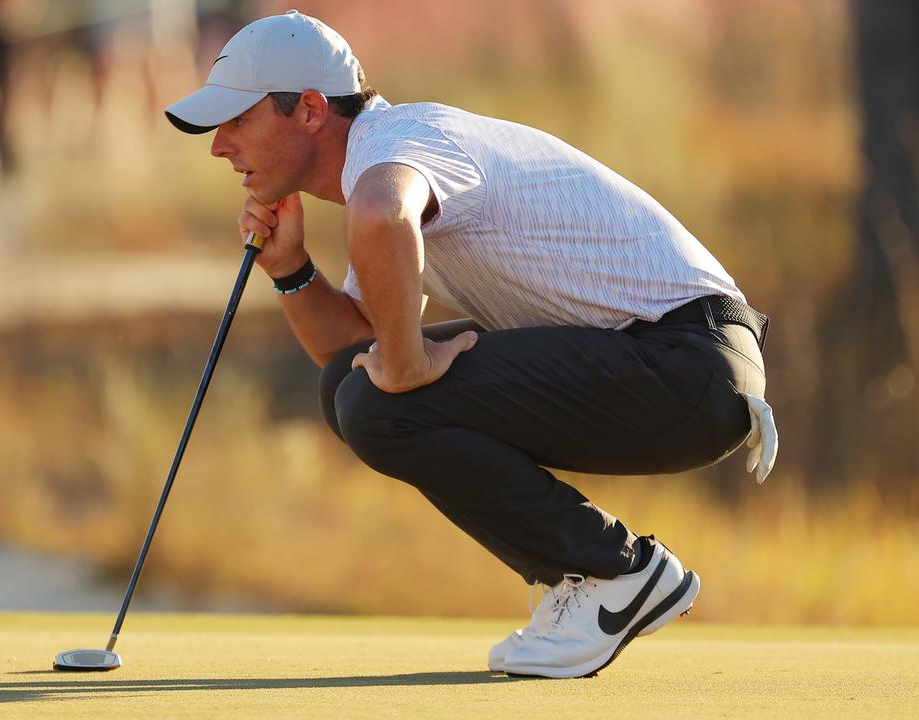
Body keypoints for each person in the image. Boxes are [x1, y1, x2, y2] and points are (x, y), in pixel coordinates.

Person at [164, 11, 778, 679]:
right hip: (672, 365)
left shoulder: (396, 147)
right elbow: (360, 350)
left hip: (687, 363)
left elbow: (381, 218)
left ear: (309, 110)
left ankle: (614, 573)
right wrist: (292, 270)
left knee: (377, 397)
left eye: (237, 121)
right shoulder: (389, 153)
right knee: (354, 385)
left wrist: (407, 366)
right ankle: (597, 574)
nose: (220, 146)